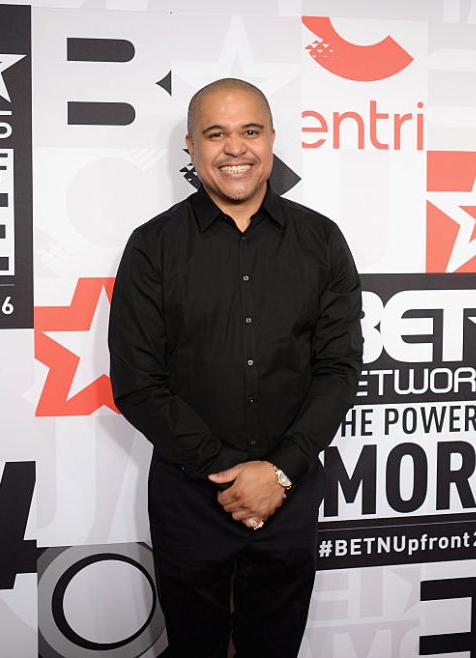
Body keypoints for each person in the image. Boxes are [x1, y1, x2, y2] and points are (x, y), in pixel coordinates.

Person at [108, 78, 363, 657]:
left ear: (272, 140)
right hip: (189, 498)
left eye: (250, 131)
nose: (235, 148)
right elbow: (138, 383)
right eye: (215, 134)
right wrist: (235, 477)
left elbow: (339, 367)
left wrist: (277, 473)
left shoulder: (322, 241)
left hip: (290, 493)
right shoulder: (152, 246)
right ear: (191, 150)